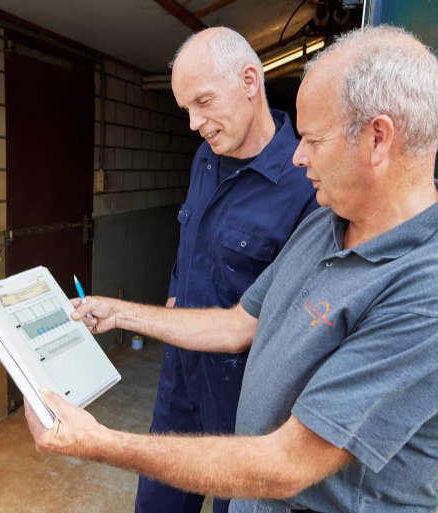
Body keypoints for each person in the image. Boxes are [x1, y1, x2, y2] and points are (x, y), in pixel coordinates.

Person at [25, 25, 438, 513]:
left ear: (377, 139)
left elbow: (288, 464)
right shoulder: (326, 225)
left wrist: (98, 442)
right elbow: (239, 323)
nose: (299, 157)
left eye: (312, 138)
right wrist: (122, 313)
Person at [138, 27, 317, 513]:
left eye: (203, 101)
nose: (195, 123)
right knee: (158, 500)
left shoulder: (307, 186)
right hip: (180, 373)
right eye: (187, 110)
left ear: (249, 80)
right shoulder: (206, 156)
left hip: (245, 391)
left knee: (234, 506)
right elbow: (191, 239)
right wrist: (176, 294)